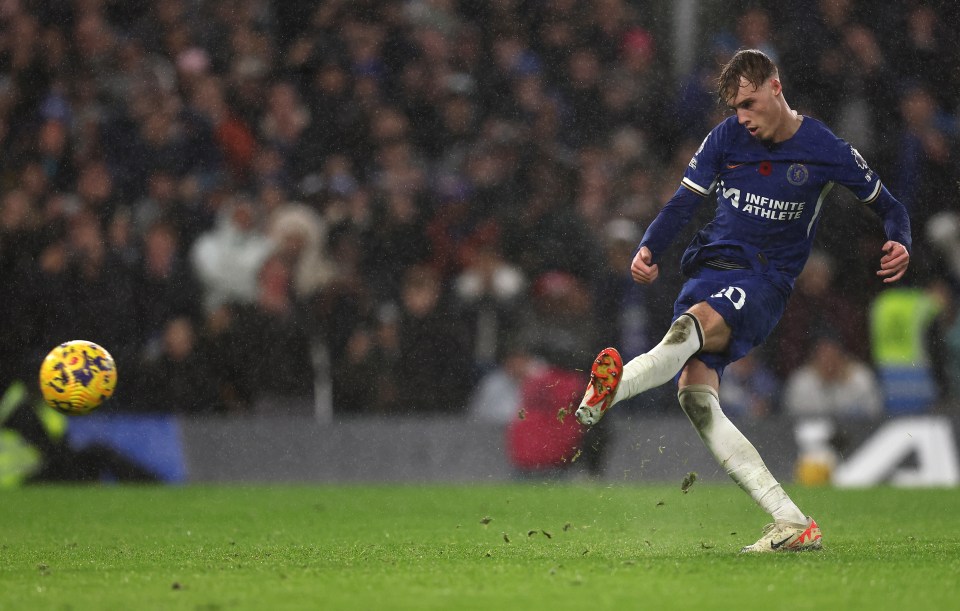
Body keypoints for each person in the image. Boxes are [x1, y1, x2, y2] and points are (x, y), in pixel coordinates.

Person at [574, 49, 911, 553]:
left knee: (688, 330)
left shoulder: (822, 146)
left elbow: (890, 205)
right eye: (736, 107)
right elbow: (684, 200)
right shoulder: (726, 137)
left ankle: (610, 393)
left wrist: (899, 238)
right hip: (708, 267)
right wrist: (648, 245)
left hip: (764, 279)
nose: (743, 118)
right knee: (694, 397)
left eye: (750, 104)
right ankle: (791, 520)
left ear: (776, 87)